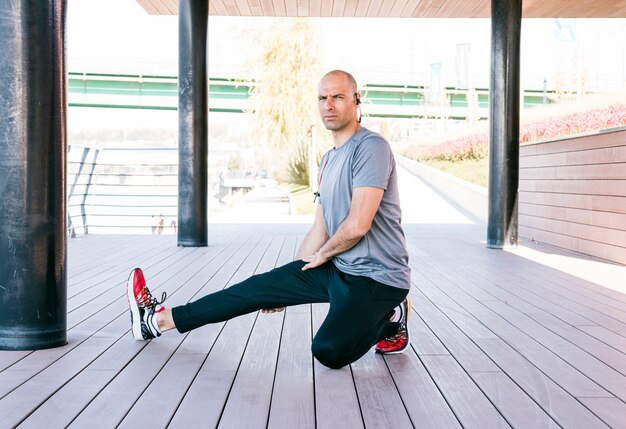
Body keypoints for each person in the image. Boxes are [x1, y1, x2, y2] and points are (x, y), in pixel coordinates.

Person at [126, 70, 411, 369]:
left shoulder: (371, 147)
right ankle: (157, 321)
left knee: (329, 351)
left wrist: (322, 256)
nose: (329, 104)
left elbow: (357, 225)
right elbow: (321, 227)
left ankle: (391, 317)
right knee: (254, 290)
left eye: (338, 97)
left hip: (378, 278)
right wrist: (288, 283)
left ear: (356, 101)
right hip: (339, 266)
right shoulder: (329, 158)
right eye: (322, 97)